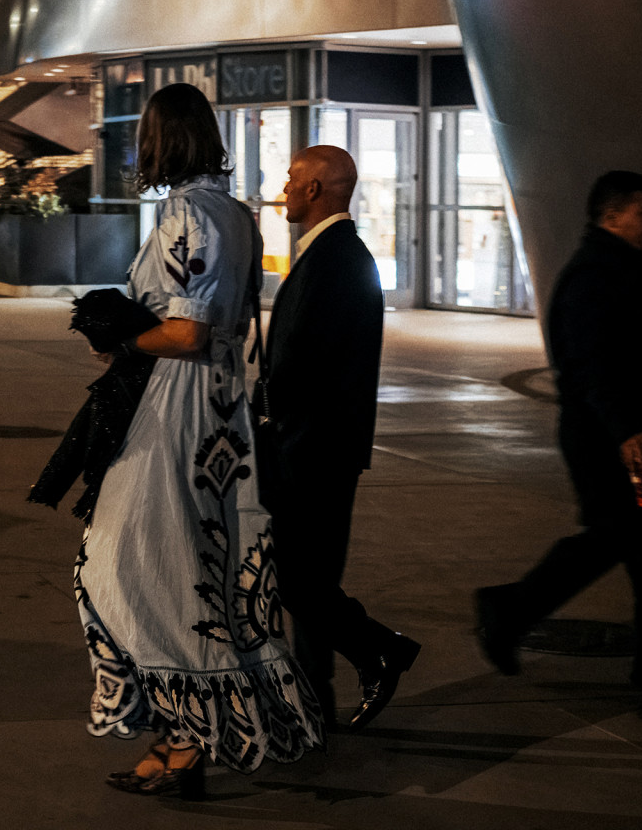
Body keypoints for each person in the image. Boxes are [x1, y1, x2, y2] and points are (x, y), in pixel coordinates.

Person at [74, 82, 323, 797]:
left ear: (161, 139)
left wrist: (122, 342)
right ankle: (183, 739)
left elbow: (186, 333)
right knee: (191, 569)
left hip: (175, 410)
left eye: (144, 136)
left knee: (121, 567)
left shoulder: (188, 212)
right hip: (219, 411)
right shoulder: (236, 214)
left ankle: (187, 736)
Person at [474, 171, 642, 693]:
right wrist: (626, 430)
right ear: (612, 215)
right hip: (610, 439)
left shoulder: (622, 267)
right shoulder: (594, 275)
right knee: (619, 534)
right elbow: (592, 364)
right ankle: (511, 610)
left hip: (630, 433)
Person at [259, 146, 421, 729]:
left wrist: (267, 420)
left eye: (291, 179)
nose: (282, 188)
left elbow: (308, 363)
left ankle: (380, 650)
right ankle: (315, 702)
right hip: (312, 446)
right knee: (305, 578)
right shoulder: (329, 254)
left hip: (315, 451)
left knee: (299, 580)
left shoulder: (339, 259)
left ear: (315, 189)